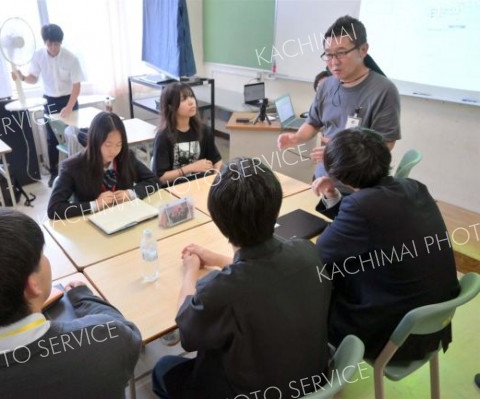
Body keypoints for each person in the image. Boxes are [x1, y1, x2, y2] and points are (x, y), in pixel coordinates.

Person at [0, 209, 141, 398]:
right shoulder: (107, 338)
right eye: (41, 255)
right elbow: (127, 330)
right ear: (32, 285)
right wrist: (83, 296)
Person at [152, 158, 331, 399]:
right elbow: (262, 274)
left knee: (163, 368)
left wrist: (190, 271)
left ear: (218, 221)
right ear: (276, 209)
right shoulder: (307, 252)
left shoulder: (220, 291)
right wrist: (216, 258)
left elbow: (186, 329)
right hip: (311, 380)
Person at [312, 128, 459, 360]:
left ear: (341, 176)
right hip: (434, 325)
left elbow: (320, 254)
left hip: (393, 337)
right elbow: (371, 223)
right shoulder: (414, 187)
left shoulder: (362, 207)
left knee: (315, 288)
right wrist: (332, 196)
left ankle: (322, 371)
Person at [278, 15, 401, 189]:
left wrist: (338, 154)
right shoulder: (326, 85)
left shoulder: (383, 90)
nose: (334, 62)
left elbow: (386, 145)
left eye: (341, 53)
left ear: (363, 50)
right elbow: (313, 123)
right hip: (323, 180)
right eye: (328, 55)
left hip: (358, 187)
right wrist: (297, 137)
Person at [47, 112, 159, 219]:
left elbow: (153, 181)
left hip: (125, 218)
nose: (113, 151)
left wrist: (130, 193)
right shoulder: (73, 166)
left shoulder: (126, 157)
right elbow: (54, 209)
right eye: (108, 144)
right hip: (89, 224)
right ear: (95, 141)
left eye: (118, 145)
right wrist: (94, 205)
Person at [13, 24, 82, 187]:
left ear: (61, 42)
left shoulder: (71, 58)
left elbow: (76, 85)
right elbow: (33, 78)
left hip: (68, 100)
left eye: (56, 44)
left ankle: (78, 172)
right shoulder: (38, 56)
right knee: (52, 138)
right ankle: (54, 173)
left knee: (74, 136)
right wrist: (21, 77)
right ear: (45, 43)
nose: (53, 47)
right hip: (49, 100)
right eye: (49, 44)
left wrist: (70, 106)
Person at [152, 82, 223, 186]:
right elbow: (161, 178)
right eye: (183, 99)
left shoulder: (204, 131)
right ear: (171, 106)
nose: (191, 102)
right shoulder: (163, 137)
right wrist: (191, 167)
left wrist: (215, 180)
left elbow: (217, 161)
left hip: (201, 186)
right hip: (175, 191)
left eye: (191, 96)